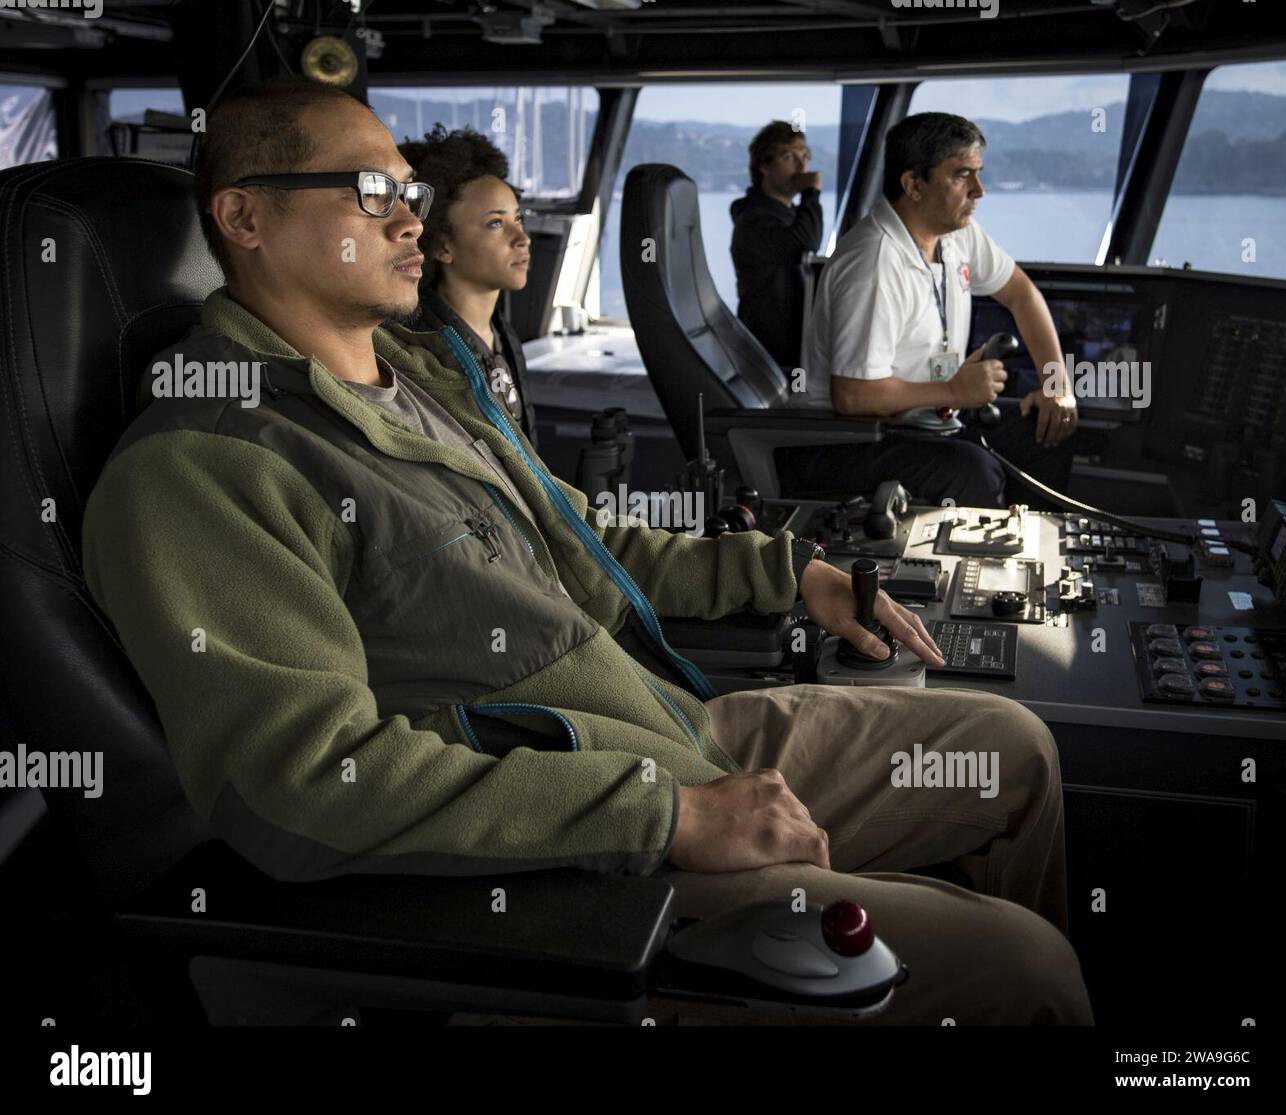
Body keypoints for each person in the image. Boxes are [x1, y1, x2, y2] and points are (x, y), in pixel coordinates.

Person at [80, 79, 1091, 1026]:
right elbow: (308, 779)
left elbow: (587, 541)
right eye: (370, 190)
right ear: (245, 219)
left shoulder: (423, 377)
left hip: (663, 723)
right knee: (1029, 970)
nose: (408, 219)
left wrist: (787, 571)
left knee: (1015, 751)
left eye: (412, 191)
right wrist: (661, 814)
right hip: (574, 841)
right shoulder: (205, 461)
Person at [790, 112, 1078, 509]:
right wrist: (955, 389)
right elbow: (853, 397)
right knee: (973, 470)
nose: (979, 191)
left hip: (927, 419)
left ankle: (1031, 556)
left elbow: (1021, 294)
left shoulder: (957, 235)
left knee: (1048, 432)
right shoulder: (873, 265)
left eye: (978, 173)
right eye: (963, 175)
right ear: (914, 185)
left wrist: (1055, 382)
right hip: (848, 438)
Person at [398, 124, 539, 451]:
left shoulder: (500, 334)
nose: (522, 239)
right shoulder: (427, 357)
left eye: (518, 219)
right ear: (441, 247)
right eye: (495, 224)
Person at [730, 120, 824, 371]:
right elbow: (804, 243)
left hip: (793, 343)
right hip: (769, 354)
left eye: (805, 157)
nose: (802, 166)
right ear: (764, 166)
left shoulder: (789, 214)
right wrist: (811, 194)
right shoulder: (753, 220)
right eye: (788, 158)